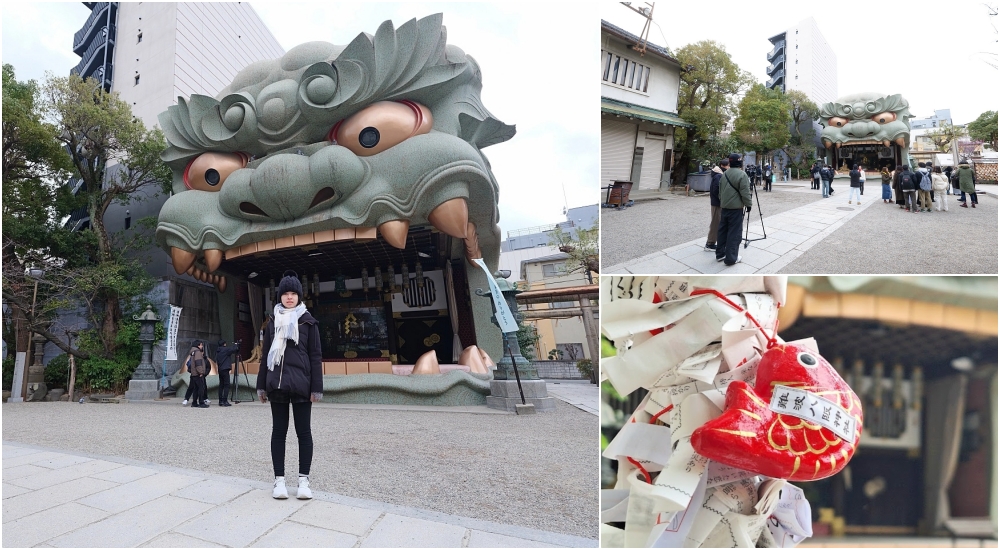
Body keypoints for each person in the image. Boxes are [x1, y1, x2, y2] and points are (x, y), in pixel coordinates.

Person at [258, 270, 323, 500]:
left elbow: (315, 356)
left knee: (303, 433)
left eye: (293, 293)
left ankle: (304, 480)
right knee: (279, 432)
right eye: (285, 293)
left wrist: (317, 387)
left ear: (299, 296)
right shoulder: (272, 323)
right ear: (279, 296)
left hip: (302, 386)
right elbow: (266, 355)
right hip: (277, 386)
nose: (289, 297)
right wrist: (261, 386)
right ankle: (279, 481)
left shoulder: (308, 322)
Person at [716, 153, 751, 266]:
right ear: (739, 162)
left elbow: (720, 191)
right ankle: (731, 258)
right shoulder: (742, 174)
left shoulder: (724, 174)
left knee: (722, 230)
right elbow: (745, 192)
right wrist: (748, 204)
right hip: (736, 208)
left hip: (724, 207)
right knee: (734, 233)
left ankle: (720, 254)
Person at [704, 157, 729, 251]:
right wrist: (723, 199)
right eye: (728, 165)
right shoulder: (718, 176)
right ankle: (710, 243)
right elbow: (716, 190)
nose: (729, 167)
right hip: (717, 203)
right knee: (715, 223)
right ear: (724, 165)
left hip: (718, 202)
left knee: (717, 222)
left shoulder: (719, 174)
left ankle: (713, 242)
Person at [216, 339, 240, 406]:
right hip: (225, 369)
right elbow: (233, 349)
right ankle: (225, 401)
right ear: (224, 344)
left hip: (220, 369)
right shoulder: (225, 350)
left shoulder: (218, 350)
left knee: (221, 385)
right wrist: (236, 345)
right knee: (226, 385)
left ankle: (220, 401)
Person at [187, 340, 209, 408]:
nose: (202, 346)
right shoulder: (198, 352)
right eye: (201, 345)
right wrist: (201, 372)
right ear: (198, 345)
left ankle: (194, 402)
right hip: (198, 373)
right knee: (201, 388)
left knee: (196, 389)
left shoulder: (193, 352)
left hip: (194, 373)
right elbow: (198, 363)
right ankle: (201, 402)